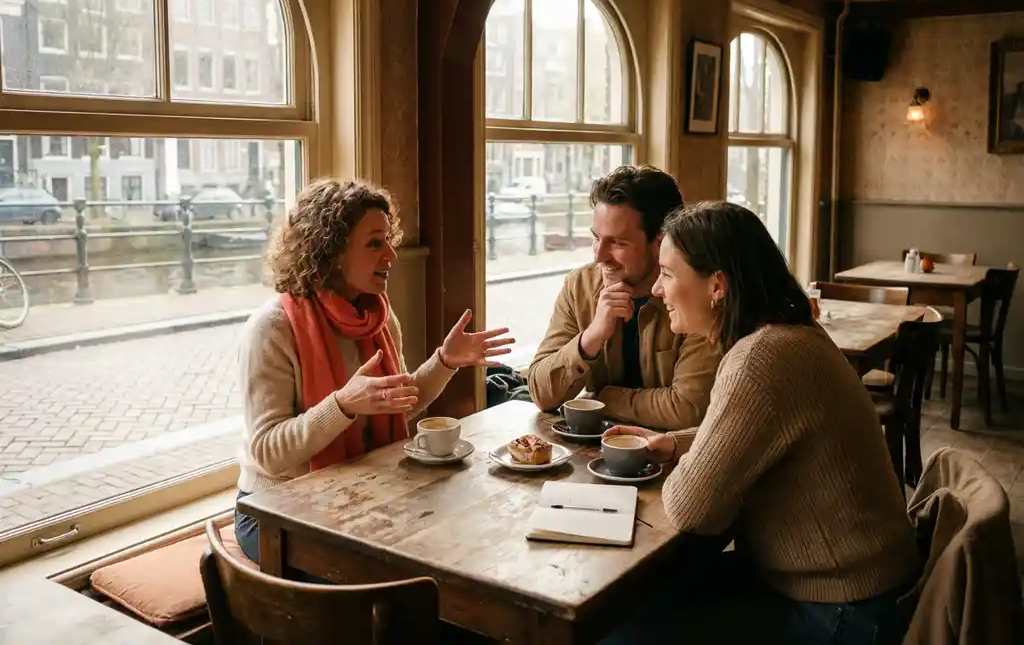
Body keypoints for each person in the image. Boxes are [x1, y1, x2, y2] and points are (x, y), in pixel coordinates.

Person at [603, 201, 920, 645]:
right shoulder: (789, 332)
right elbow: (773, 430)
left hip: (842, 612)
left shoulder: (761, 357)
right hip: (855, 585)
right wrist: (677, 444)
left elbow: (690, 508)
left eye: (668, 274)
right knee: (647, 600)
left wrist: (690, 464)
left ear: (717, 286)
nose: (657, 289)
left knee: (619, 629)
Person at [234, 178, 514, 564]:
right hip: (273, 511)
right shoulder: (272, 328)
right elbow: (268, 453)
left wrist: (445, 362)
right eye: (373, 243)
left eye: (388, 240)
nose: (391, 257)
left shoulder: (375, 315)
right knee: (401, 578)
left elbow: (394, 403)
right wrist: (343, 405)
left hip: (351, 489)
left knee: (469, 539)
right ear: (331, 251)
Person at [527, 165, 720, 430]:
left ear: (661, 242)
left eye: (618, 243)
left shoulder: (696, 293)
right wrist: (590, 338)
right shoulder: (579, 286)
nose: (598, 256)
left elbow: (688, 409)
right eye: (597, 238)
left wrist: (603, 397)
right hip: (596, 450)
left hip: (672, 455)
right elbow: (541, 392)